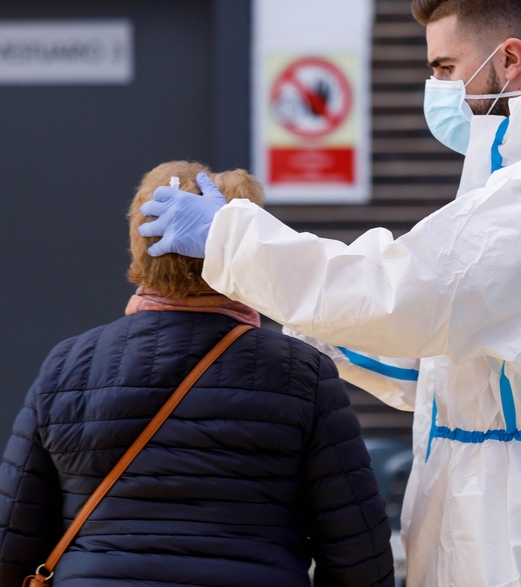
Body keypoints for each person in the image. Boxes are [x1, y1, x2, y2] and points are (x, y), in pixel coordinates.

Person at [136, 0, 521, 586]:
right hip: (490, 505)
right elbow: (438, 359)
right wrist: (304, 334)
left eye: (445, 68)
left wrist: (228, 237)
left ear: (508, 59)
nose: (435, 86)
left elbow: (401, 296)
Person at [0, 162, 393, 587]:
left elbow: (13, 539)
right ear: (246, 248)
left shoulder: (67, 365)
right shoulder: (302, 373)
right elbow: (358, 552)